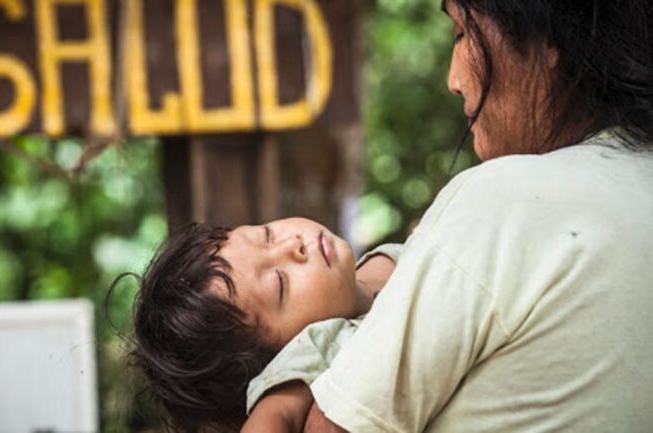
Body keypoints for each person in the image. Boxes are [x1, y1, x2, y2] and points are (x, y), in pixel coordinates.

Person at [244, 0, 653, 431]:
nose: (453, 80)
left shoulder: (502, 197)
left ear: (546, 36)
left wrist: (287, 388)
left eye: (462, 33)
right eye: (278, 282)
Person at [121, 218, 398, 432]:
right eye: (280, 282)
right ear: (276, 365)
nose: (293, 245)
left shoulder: (378, 264)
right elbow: (273, 415)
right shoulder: (311, 352)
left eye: (266, 235)